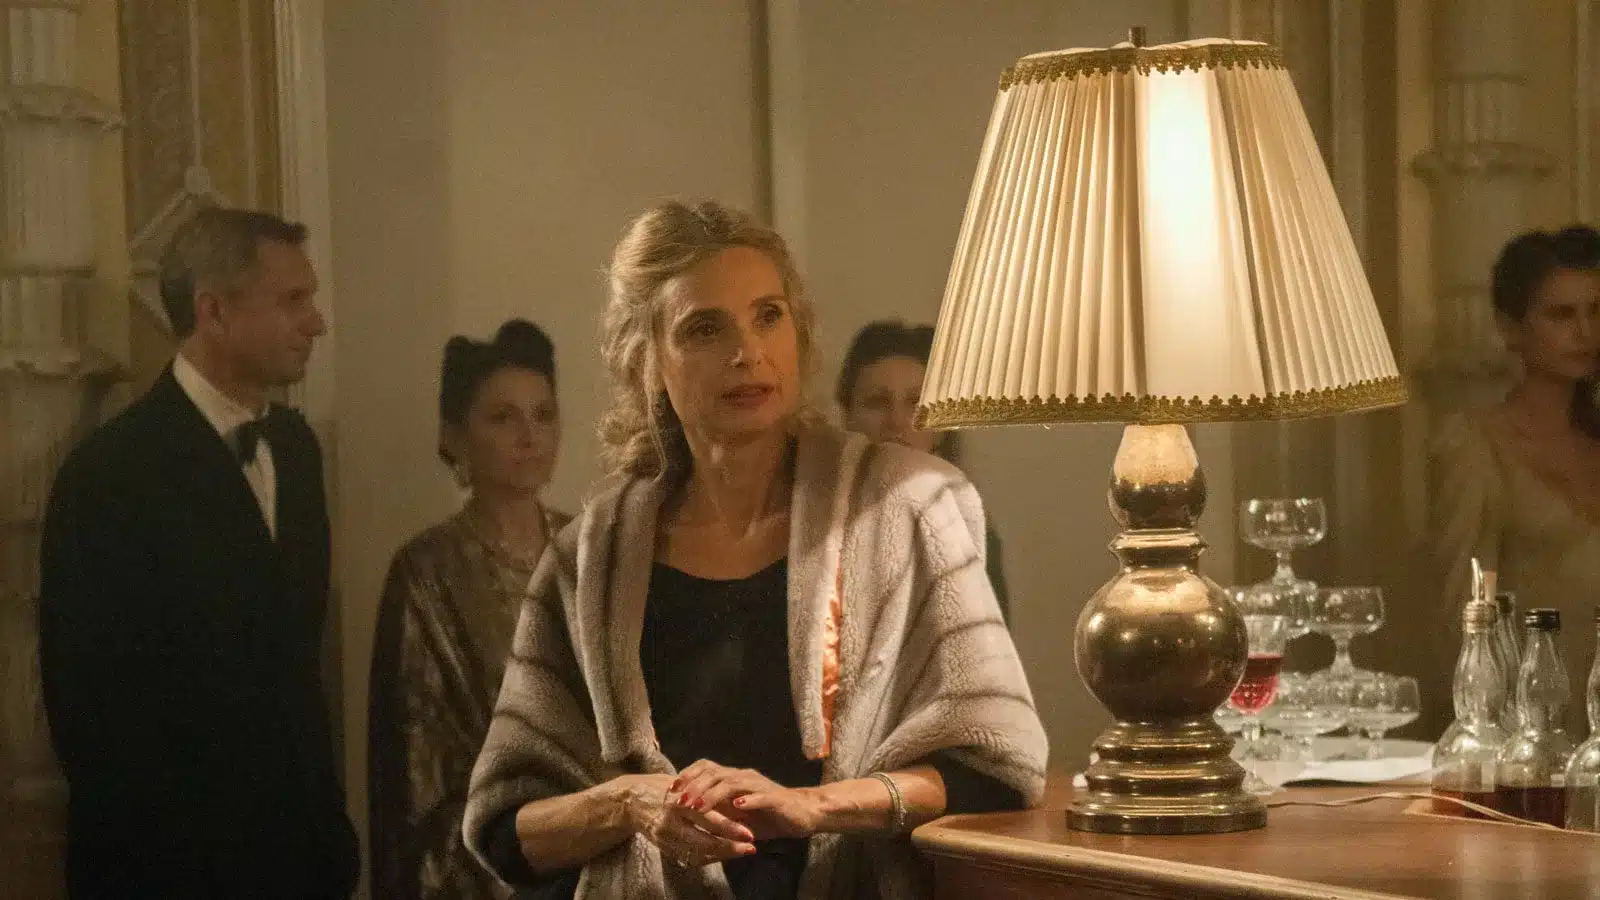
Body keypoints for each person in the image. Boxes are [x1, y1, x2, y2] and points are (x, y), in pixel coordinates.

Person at [461, 200, 1047, 899]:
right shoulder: (590, 559)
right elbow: (505, 831)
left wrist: (815, 807)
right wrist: (629, 802)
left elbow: (995, 767)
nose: (747, 352)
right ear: (647, 360)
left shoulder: (910, 508)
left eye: (768, 316)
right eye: (705, 328)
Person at [38, 208, 357, 899]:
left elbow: (296, 670)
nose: (317, 323)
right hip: (170, 870)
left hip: (298, 862)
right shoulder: (109, 476)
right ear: (214, 313)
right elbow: (91, 721)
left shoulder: (295, 450)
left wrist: (327, 839)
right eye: (292, 300)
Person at [369, 319, 571, 900]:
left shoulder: (588, 549)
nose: (529, 436)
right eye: (503, 418)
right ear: (455, 438)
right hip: (478, 862)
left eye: (543, 415)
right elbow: (414, 767)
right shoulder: (426, 571)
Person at [1431, 225, 1600, 736]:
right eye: (1561, 315)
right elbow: (1465, 611)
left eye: (1595, 311)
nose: (1585, 332)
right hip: (1536, 717)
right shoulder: (1476, 444)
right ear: (1511, 328)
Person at [837, 320, 1012, 621]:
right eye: (877, 403)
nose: (897, 421)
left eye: (916, 404)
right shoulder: (814, 523)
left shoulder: (969, 534)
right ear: (848, 417)